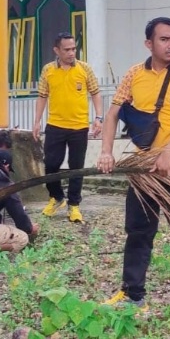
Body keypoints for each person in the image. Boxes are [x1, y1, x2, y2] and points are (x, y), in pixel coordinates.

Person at [97, 17, 170, 332]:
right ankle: (133, 292)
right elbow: (113, 113)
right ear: (149, 43)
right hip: (143, 167)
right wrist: (106, 151)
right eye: (164, 39)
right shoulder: (134, 74)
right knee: (138, 231)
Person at [33, 32, 103, 224]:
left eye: (74, 49)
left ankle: (74, 205)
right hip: (55, 125)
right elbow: (42, 96)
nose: (72, 53)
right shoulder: (48, 70)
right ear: (57, 50)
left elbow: (96, 93)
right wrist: (37, 121)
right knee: (51, 165)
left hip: (79, 127)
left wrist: (98, 118)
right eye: (67, 50)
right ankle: (56, 197)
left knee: (76, 167)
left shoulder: (84, 69)